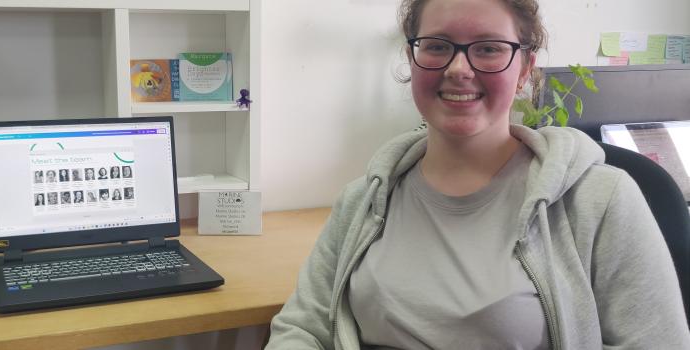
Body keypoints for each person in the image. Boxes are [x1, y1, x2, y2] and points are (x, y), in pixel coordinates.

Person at [266, 0, 690, 348]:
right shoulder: (364, 200)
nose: (458, 68)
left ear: (525, 68)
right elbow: (303, 329)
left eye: (488, 48)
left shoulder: (600, 200)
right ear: (412, 58)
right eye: (437, 46)